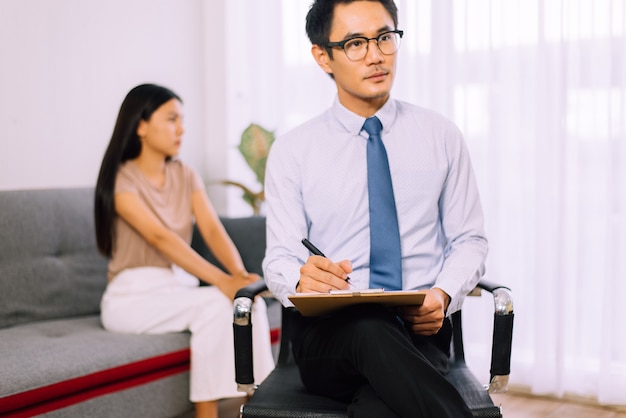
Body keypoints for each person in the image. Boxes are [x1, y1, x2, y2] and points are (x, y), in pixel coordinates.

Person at [262, 1, 488, 417]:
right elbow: (279, 256)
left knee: (379, 408)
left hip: (419, 330)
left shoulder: (441, 136)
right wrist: (301, 276)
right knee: (367, 326)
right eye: (354, 43)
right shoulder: (293, 151)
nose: (375, 54)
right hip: (329, 337)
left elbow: (469, 239)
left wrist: (441, 294)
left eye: (385, 37)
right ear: (322, 56)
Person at [94, 83, 274, 418]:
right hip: (132, 298)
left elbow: (212, 230)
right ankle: (206, 415)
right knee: (213, 306)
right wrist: (222, 281)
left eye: (182, 119)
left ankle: (259, 406)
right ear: (141, 125)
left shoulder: (186, 175)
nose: (182, 128)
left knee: (248, 305)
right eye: (171, 119)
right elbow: (161, 238)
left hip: (177, 290)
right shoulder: (122, 180)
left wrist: (238, 278)